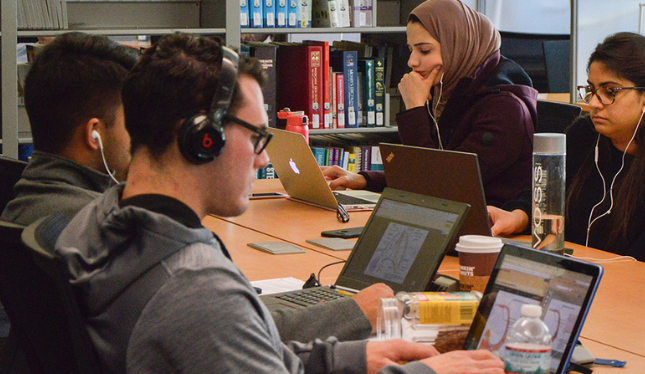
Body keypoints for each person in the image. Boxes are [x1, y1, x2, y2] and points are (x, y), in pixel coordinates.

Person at [52, 33, 504, 374]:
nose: (264, 156)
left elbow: (240, 350)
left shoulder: (98, 221)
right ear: (201, 139)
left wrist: (351, 358)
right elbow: (221, 329)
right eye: (256, 137)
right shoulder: (195, 286)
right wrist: (424, 372)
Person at [0, 33, 392, 345]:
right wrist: (355, 317)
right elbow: (221, 328)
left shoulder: (78, 215)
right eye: (129, 117)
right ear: (202, 138)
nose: (141, 127)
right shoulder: (133, 242)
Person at [489, 32, 645, 277]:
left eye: (610, 92)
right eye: (591, 89)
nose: (594, 103)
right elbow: (548, 193)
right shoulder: (586, 134)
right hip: (584, 281)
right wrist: (519, 215)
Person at [321, 0, 536, 207]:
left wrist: (415, 109)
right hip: (449, 216)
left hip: (488, 233)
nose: (412, 62)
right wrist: (365, 179)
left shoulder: (505, 109)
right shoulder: (452, 92)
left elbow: (437, 186)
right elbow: (436, 172)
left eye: (424, 51)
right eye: (411, 50)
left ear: (459, 47)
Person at [1, 32, 138, 226]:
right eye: (132, 123)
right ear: (94, 134)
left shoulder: (22, 203)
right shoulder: (106, 227)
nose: (140, 136)